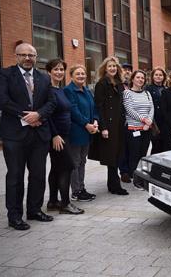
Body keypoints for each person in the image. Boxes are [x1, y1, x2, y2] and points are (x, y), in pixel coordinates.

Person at [0, 42, 57, 230]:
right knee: (15, 176)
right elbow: (2, 100)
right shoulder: (5, 74)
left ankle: (34, 210)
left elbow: (51, 102)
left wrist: (39, 114)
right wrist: (27, 117)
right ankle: (14, 216)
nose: (28, 58)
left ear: (36, 57)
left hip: (39, 135)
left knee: (38, 174)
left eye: (32, 55)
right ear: (16, 56)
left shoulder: (44, 78)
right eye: (24, 55)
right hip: (14, 135)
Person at [45, 59, 84, 215]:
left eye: (61, 69)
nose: (59, 72)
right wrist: (54, 135)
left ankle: (53, 202)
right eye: (56, 69)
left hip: (65, 135)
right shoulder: (47, 90)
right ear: (49, 71)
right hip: (57, 137)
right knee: (67, 167)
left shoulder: (59, 89)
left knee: (56, 168)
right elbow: (46, 115)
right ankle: (65, 204)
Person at [89, 57, 127, 195]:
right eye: (110, 66)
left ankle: (113, 184)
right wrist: (103, 127)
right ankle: (114, 185)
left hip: (120, 124)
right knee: (111, 156)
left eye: (114, 66)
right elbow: (99, 107)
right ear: (105, 68)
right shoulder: (101, 84)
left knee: (118, 154)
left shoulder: (119, 84)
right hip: (109, 125)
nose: (112, 68)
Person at [64, 64, 98, 203]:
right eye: (77, 74)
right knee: (75, 162)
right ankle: (76, 191)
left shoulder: (87, 90)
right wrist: (86, 124)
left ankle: (81, 188)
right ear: (71, 75)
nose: (81, 76)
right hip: (76, 131)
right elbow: (73, 110)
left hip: (88, 131)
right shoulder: (68, 90)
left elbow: (94, 107)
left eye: (83, 74)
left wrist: (95, 120)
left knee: (82, 161)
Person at [123, 70, 154, 188]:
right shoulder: (127, 93)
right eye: (138, 77)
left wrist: (149, 121)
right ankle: (135, 179)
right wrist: (144, 120)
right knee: (134, 155)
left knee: (143, 154)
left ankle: (141, 177)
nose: (140, 80)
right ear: (132, 79)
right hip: (133, 129)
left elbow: (151, 109)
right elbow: (129, 110)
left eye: (142, 78)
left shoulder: (147, 93)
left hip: (146, 129)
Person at [146, 67, 167, 154]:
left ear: (164, 77)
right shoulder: (148, 89)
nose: (158, 77)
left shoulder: (166, 89)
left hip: (165, 121)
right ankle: (154, 167)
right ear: (153, 76)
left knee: (165, 146)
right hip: (153, 121)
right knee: (156, 146)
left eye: (160, 75)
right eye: (156, 75)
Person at [118, 62, 133, 182]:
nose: (127, 71)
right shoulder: (118, 85)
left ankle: (130, 169)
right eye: (125, 69)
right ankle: (124, 171)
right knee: (122, 148)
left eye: (129, 69)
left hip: (133, 122)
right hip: (121, 122)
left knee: (130, 147)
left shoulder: (134, 85)